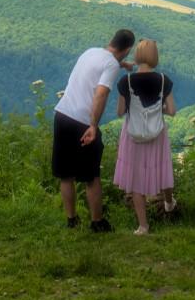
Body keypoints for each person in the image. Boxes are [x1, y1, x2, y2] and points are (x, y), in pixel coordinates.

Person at [52, 28, 135, 232]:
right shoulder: (110, 65)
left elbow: (104, 64)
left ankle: (71, 220)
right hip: (82, 122)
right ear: (127, 49)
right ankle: (97, 222)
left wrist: (122, 64)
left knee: (66, 174)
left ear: (111, 41)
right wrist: (93, 125)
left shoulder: (90, 52)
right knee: (91, 176)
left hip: (62, 114)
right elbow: (101, 94)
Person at [113, 38, 176, 235]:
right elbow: (172, 111)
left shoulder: (126, 81)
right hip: (157, 133)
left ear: (138, 56)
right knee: (162, 166)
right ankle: (168, 202)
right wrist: (157, 110)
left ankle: (143, 226)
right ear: (155, 57)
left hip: (133, 134)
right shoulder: (164, 80)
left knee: (136, 177)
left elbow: (120, 111)